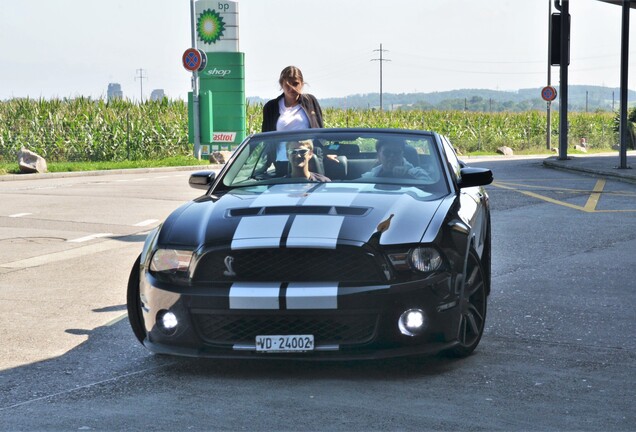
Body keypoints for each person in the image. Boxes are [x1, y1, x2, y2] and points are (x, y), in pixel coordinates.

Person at [361, 139, 431, 180]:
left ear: (402, 154)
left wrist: (407, 175)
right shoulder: (370, 177)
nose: (392, 156)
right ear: (379, 156)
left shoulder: (417, 173)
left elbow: (432, 189)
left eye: (397, 152)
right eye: (387, 152)